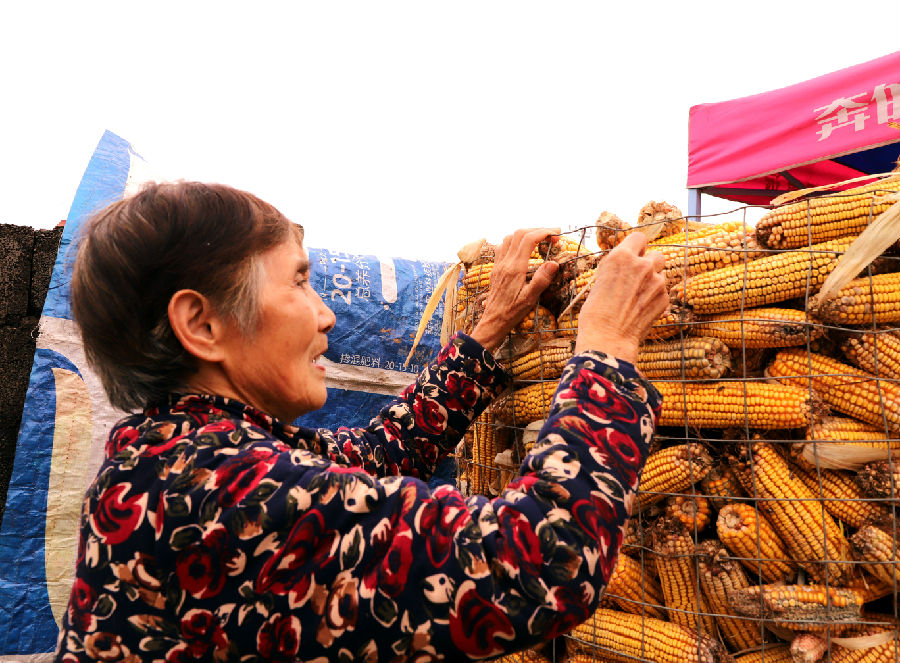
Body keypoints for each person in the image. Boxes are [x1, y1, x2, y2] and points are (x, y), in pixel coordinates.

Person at [55, 181, 668, 662]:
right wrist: (606, 349)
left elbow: (373, 459)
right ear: (203, 325)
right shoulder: (215, 494)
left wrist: (487, 331)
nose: (325, 315)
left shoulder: (171, 456)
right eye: (298, 280)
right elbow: (535, 565)